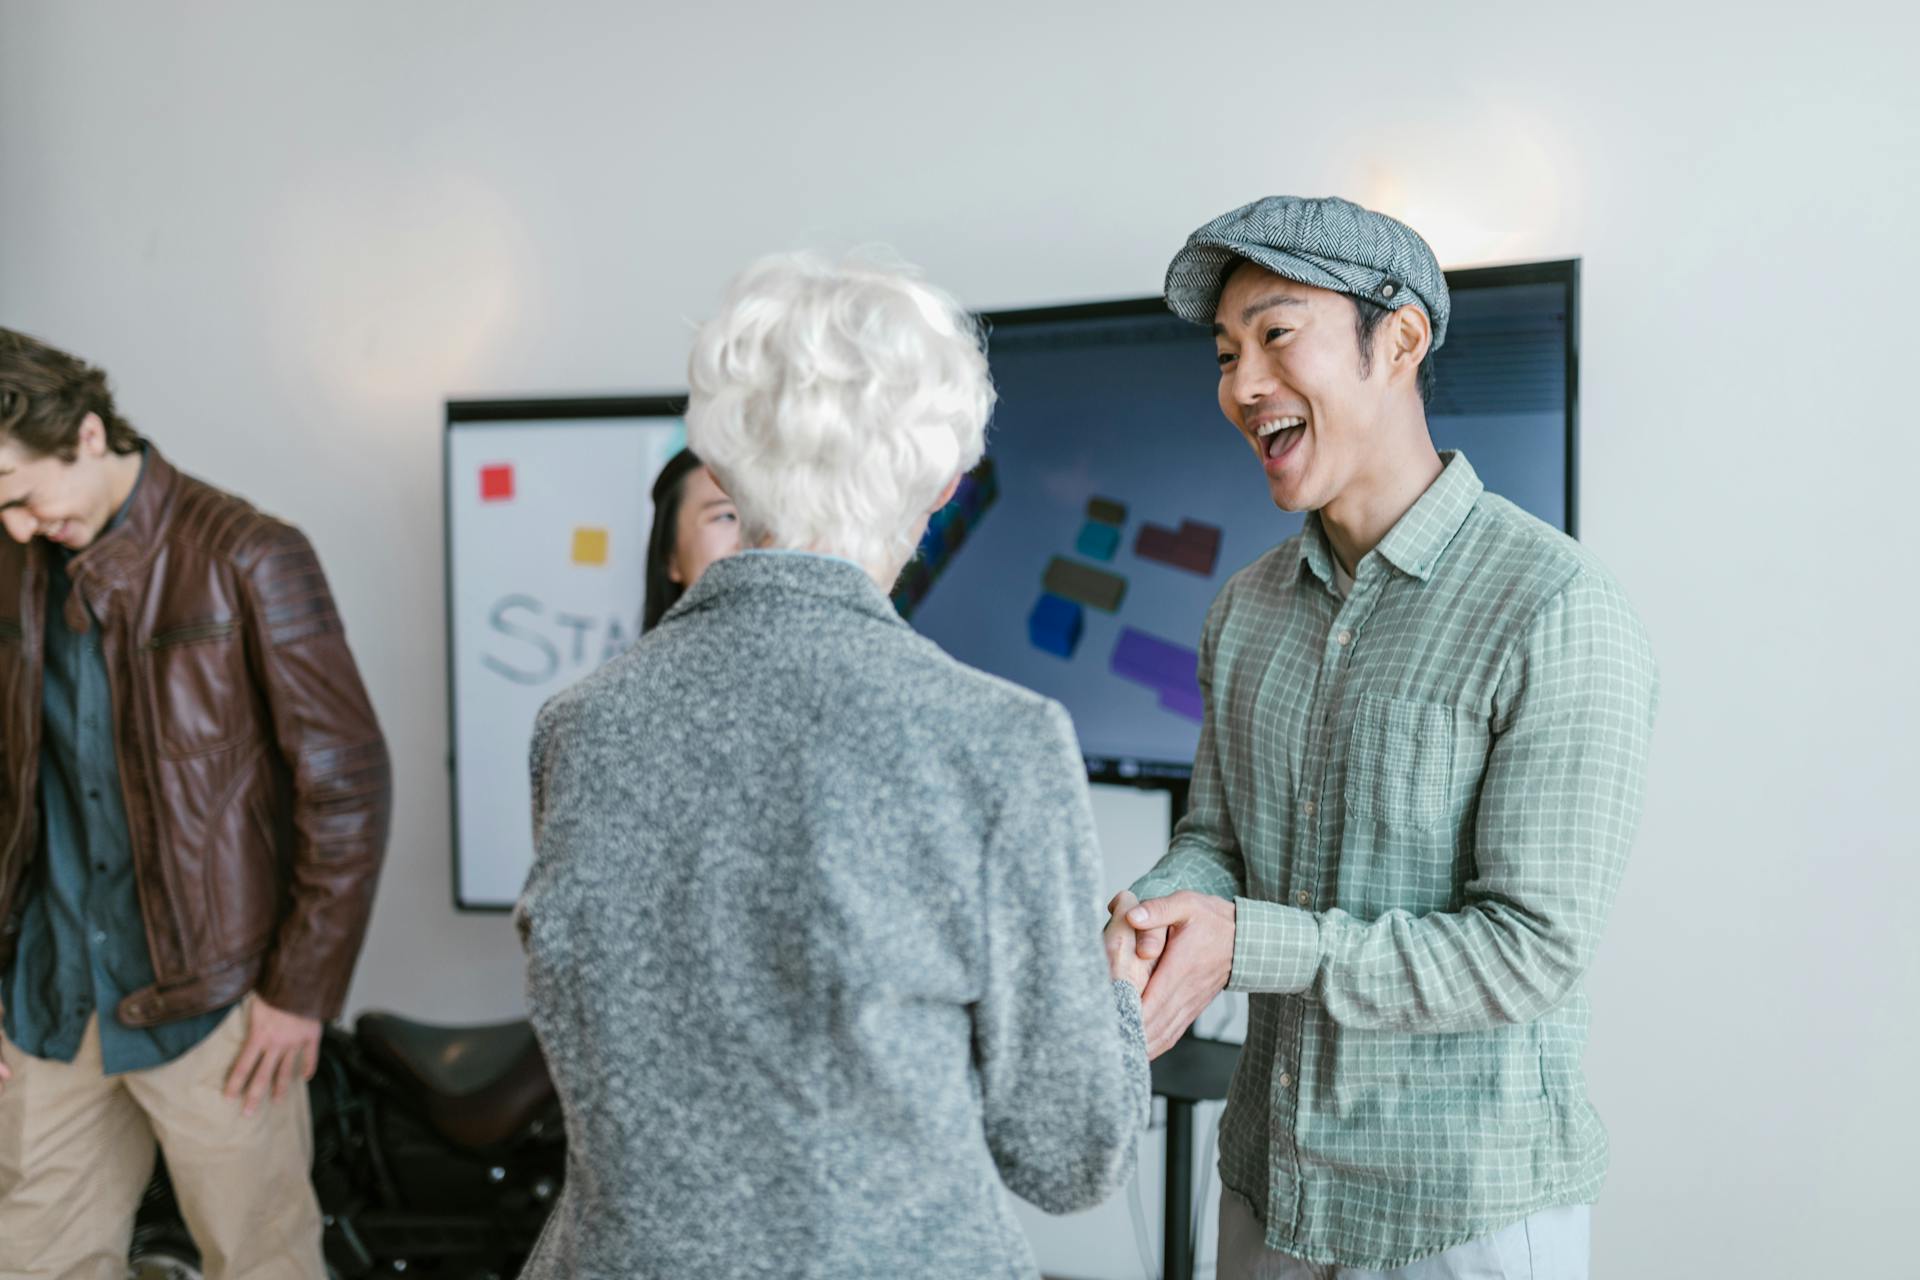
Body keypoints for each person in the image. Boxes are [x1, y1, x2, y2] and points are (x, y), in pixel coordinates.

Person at [516, 253, 1153, 1279]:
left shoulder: (579, 725)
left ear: (721, 467)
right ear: (945, 486)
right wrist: (1111, 992)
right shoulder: (1000, 740)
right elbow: (1069, 1154)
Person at [1103, 197, 1658, 1278]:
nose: (1241, 385)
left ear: (1399, 338)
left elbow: (1528, 948)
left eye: (1274, 333)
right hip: (1268, 1187)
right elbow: (1218, 833)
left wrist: (1244, 939)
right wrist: (1161, 914)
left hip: (1464, 1214)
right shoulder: (1245, 606)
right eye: (1224, 354)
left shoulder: (1557, 606)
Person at [0, 327, 391, 1279]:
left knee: (262, 1265)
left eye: (21, 495)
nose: (14, 527)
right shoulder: (11, 568)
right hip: (52, 1001)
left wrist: (301, 994)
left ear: (89, 435)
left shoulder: (250, 555)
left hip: (218, 1006)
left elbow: (346, 787)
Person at [641, 446, 739, 632]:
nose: (752, 535)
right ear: (671, 558)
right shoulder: (644, 660)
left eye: (763, 520)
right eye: (726, 516)